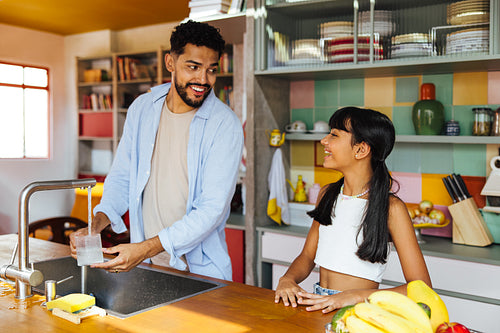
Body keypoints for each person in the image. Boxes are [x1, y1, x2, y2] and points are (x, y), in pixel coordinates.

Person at [70, 20, 244, 281]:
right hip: (148, 263)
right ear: (170, 63)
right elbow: (122, 177)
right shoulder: (142, 108)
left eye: (211, 70)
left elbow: (211, 210)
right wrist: (96, 225)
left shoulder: (225, 125)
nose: (203, 80)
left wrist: (145, 248)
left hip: (198, 268)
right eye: (193, 67)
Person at [274, 106, 431, 313]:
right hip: (319, 305)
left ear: (361, 150)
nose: (324, 141)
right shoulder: (327, 195)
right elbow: (307, 257)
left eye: (334, 135)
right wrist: (288, 279)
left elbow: (422, 288)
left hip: (360, 311)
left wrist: (353, 297)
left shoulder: (391, 208)